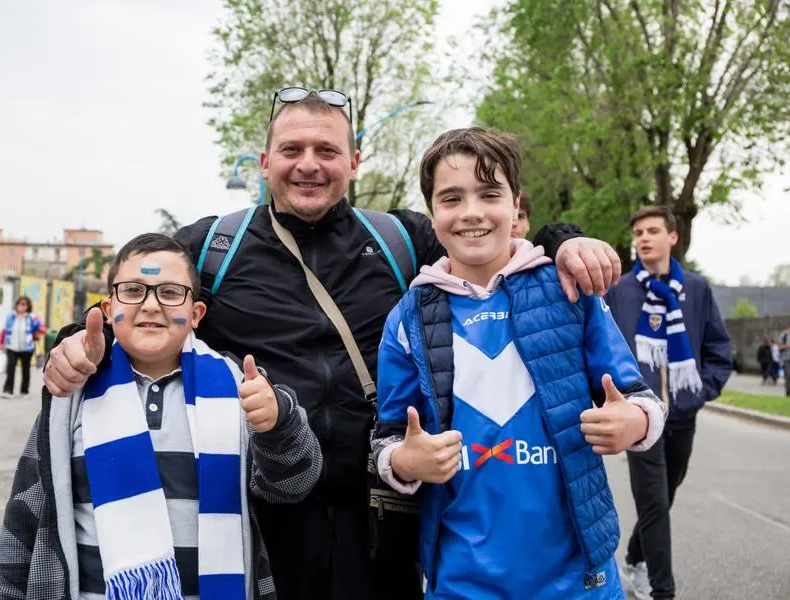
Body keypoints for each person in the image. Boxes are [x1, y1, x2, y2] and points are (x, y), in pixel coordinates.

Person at [42, 90, 623, 600]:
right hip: (260, 511)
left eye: (326, 151)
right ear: (266, 161)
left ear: (354, 161)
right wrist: (77, 339)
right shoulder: (215, 244)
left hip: (380, 518)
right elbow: (141, 292)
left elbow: (488, 249)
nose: (308, 165)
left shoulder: (399, 238)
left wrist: (566, 241)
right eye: (292, 150)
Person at [371, 128, 665, 599]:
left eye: (489, 194)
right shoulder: (407, 318)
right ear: (433, 214)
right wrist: (404, 461)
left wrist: (633, 420)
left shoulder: (569, 292)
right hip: (461, 582)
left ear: (515, 207)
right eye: (451, 198)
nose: (471, 212)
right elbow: (386, 439)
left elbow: (641, 398)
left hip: (579, 582)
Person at [0, 233, 322, 600]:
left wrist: (278, 424)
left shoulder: (241, 388)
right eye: (133, 290)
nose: (150, 306)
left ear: (195, 314)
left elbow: (293, 486)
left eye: (170, 293)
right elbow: (24, 517)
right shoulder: (70, 396)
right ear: (109, 307)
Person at [605, 205, 732, 600]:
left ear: (672, 238)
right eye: (638, 232)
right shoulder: (620, 290)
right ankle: (663, 591)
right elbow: (604, 346)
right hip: (642, 420)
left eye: (652, 231)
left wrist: (700, 392)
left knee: (665, 498)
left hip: (682, 418)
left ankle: (635, 554)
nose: (643, 238)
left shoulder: (695, 289)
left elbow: (717, 347)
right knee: (655, 503)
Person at [0, 295, 46, 398]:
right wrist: (1, 343)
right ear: (16, 305)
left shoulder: (31, 317)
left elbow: (42, 328)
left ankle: (24, 391)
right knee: (10, 369)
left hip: (27, 348)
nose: (21, 306)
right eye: (19, 304)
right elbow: (5, 330)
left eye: (24, 304)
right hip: (11, 347)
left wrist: (37, 333)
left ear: (28, 306)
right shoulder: (10, 316)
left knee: (26, 370)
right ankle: (8, 390)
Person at [779, 323, 790, 396]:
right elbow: (779, 347)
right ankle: (788, 392)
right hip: (787, 358)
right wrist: (787, 345)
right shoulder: (784, 335)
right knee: (788, 375)